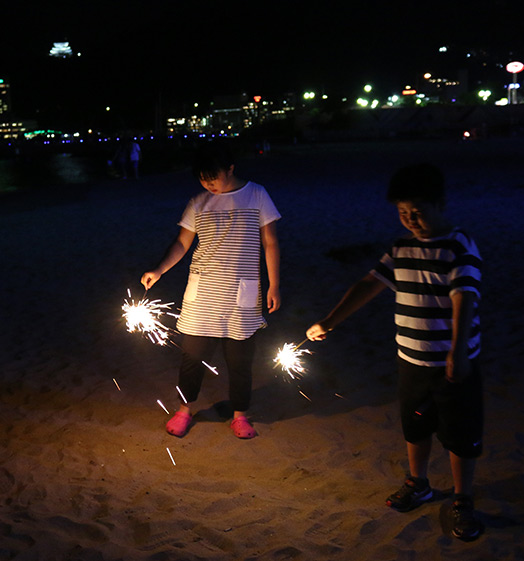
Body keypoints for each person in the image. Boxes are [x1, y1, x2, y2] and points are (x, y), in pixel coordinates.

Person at [306, 163, 484, 541]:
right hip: (411, 360)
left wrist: (457, 352)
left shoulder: (458, 245)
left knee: (459, 432)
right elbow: (369, 284)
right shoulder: (400, 247)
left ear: (440, 203)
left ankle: (462, 499)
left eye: (418, 212)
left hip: (452, 363)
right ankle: (418, 483)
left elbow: (464, 297)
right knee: (415, 425)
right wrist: (330, 321)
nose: (411, 220)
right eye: (403, 213)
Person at [141, 141, 281, 439]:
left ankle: (240, 415)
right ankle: (184, 410)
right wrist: (159, 269)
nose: (208, 183)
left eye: (212, 176)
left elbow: (270, 242)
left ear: (230, 168)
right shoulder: (198, 202)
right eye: (202, 178)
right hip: (202, 292)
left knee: (240, 361)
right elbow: (182, 243)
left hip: (241, 294)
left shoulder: (257, 194)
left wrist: (275, 284)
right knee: (192, 357)